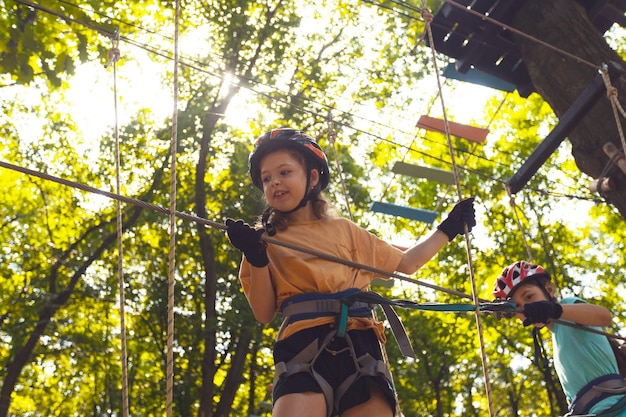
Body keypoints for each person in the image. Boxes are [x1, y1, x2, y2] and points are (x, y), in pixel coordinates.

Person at [225, 127, 476, 417]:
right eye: (266, 178)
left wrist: (450, 228)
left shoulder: (345, 231)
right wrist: (256, 258)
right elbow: (263, 312)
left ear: (313, 177)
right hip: (301, 345)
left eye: (284, 172)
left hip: (360, 345)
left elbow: (407, 263)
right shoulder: (263, 240)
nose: (274, 183)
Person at [493, 260, 626, 417]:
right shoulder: (557, 337)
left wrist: (554, 310)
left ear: (549, 290)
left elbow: (604, 317)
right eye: (518, 307)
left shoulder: (567, 308)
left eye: (529, 297)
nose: (526, 308)